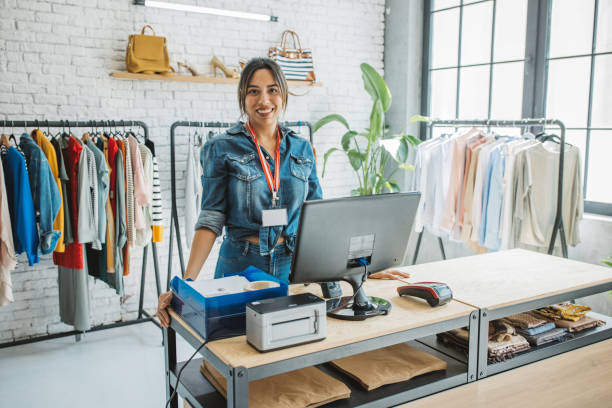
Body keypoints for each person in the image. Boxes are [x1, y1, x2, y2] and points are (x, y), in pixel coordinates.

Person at [156, 58, 409, 328]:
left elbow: (321, 220)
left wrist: (359, 269)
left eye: (272, 90)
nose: (264, 100)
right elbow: (210, 219)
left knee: (290, 347)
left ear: (283, 94)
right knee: (235, 346)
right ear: (243, 96)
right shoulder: (220, 148)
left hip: (294, 268)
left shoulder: (301, 148)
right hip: (241, 266)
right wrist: (187, 284)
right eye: (254, 91)